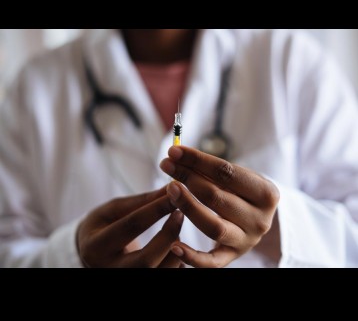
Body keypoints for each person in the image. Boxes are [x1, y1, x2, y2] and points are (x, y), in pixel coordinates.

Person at [0, 29, 357, 268]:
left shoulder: (291, 62)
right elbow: (8, 249)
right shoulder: (36, 88)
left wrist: (281, 224)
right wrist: (72, 255)